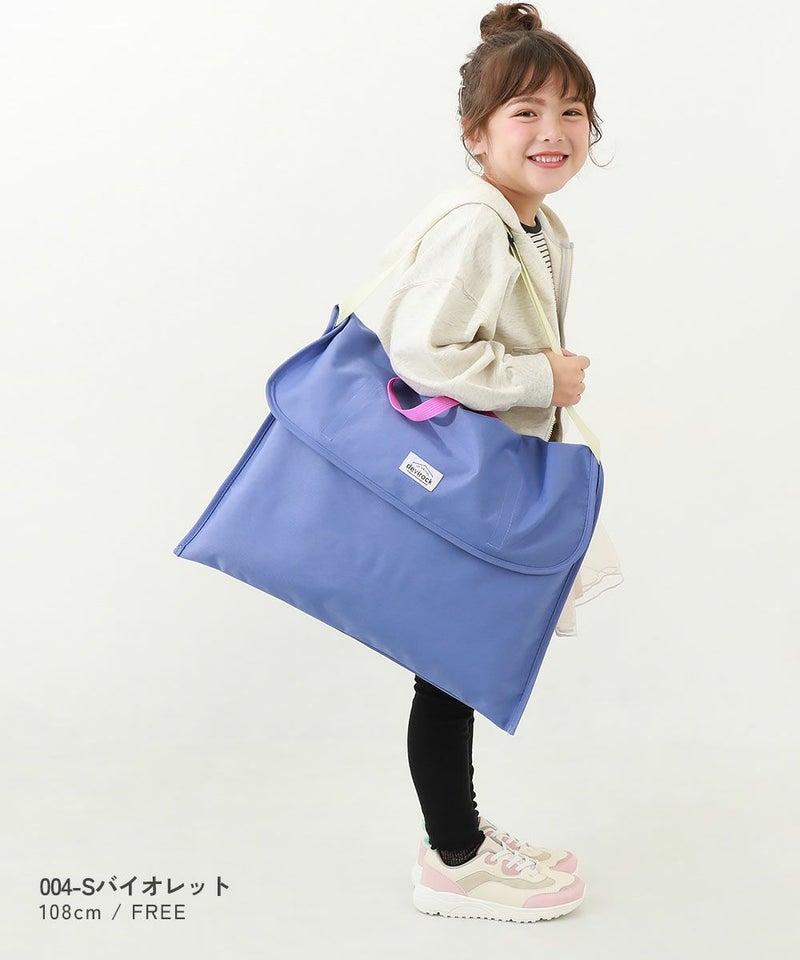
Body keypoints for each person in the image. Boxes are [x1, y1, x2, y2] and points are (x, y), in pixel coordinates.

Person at [362, 2, 625, 922]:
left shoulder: (530, 222)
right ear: (477, 133)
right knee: (451, 666)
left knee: (457, 663)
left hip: (476, 474)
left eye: (572, 111)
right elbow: (420, 351)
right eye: (526, 111)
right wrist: (541, 375)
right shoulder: (480, 223)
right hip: (457, 479)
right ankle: (455, 857)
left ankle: (459, 836)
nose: (554, 130)